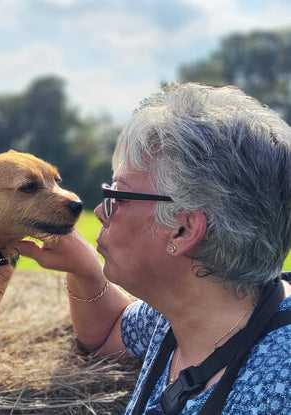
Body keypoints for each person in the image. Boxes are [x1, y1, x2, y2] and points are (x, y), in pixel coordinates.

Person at [18, 83, 291, 414]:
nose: (102, 211)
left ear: (183, 229)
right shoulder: (176, 313)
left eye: (119, 194)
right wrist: (85, 269)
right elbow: (106, 332)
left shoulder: (278, 384)